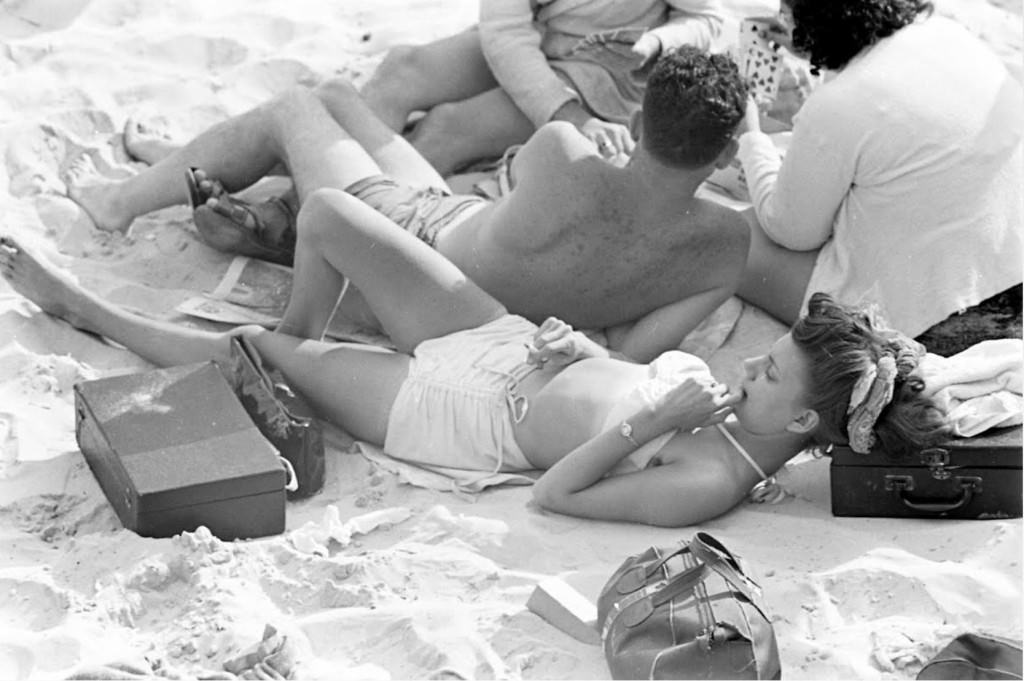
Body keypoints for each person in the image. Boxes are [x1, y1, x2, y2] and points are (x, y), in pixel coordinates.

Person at [0, 186, 950, 525]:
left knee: (258, 345)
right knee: (331, 216)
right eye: (767, 356)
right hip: (503, 342)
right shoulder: (734, 412)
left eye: (770, 374)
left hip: (461, 414)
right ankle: (309, 344)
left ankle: (80, 305)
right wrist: (577, 348)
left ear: (800, 424)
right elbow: (615, 372)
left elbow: (558, 495)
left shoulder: (709, 476)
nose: (751, 367)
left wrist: (651, 420)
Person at [67, 48, 750, 363]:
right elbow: (629, 350)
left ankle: (118, 201)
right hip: (467, 261)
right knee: (340, 98)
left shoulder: (565, 149)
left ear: (634, 123)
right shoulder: (726, 248)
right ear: (725, 157)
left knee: (296, 107)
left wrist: (601, 152)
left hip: (419, 239)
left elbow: (563, 202)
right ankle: (229, 181)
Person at [732, 0, 1024, 340]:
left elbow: (790, 231)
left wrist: (751, 137)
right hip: (1008, 276)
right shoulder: (948, 34)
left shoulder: (838, 103)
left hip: (940, 324)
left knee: (733, 237)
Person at [359, 0, 725, 175]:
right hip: (536, 39)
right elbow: (505, 33)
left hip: (607, 71)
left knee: (448, 127)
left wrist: (657, 43)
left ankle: (364, 227)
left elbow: (707, 18)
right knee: (401, 69)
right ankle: (327, 188)